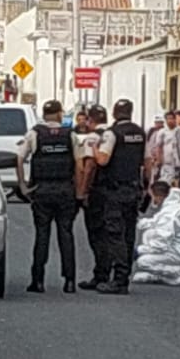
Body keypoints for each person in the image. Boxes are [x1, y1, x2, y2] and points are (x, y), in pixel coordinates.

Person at [18, 100, 79, 294]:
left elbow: (19, 158)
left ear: (44, 115)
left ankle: (38, 281)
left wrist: (22, 185)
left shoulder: (34, 133)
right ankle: (70, 281)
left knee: (42, 235)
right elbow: (79, 164)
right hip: (64, 190)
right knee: (66, 235)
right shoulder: (70, 135)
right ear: (60, 114)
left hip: (42, 189)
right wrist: (77, 189)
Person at [91, 99, 148, 294]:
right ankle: (124, 276)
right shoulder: (140, 133)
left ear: (115, 113)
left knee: (114, 234)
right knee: (129, 233)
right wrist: (145, 185)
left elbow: (103, 160)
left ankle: (119, 279)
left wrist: (94, 149)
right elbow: (147, 162)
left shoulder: (111, 133)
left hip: (114, 190)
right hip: (133, 188)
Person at [131, 181, 180, 286]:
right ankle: (169, 272)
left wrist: (139, 251)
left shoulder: (170, 213)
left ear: (158, 196)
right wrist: (137, 223)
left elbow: (162, 240)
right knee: (149, 234)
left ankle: (177, 272)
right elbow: (156, 222)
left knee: (143, 261)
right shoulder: (174, 206)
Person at [77, 105, 110, 286]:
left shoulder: (92, 137)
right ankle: (113, 272)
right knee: (111, 232)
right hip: (112, 191)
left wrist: (82, 191)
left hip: (96, 191)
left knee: (96, 233)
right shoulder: (112, 135)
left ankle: (101, 274)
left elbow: (89, 167)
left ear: (90, 120)